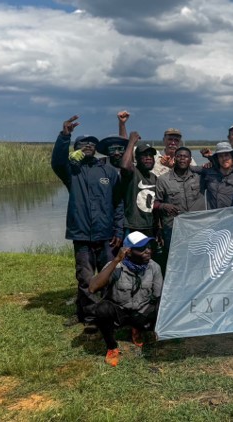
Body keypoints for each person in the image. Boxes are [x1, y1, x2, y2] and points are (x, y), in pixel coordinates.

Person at [51, 115, 123, 325]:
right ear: (76, 148)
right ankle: (90, 317)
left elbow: (117, 204)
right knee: (85, 277)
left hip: (106, 236)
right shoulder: (71, 171)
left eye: (92, 142)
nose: (89, 145)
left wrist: (118, 231)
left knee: (109, 276)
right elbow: (57, 161)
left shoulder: (108, 171)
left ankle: (109, 313)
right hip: (81, 234)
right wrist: (65, 135)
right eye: (83, 143)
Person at [88, 231, 163, 367]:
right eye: (141, 249)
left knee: (161, 307)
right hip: (120, 312)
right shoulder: (115, 267)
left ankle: (137, 329)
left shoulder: (154, 267)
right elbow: (92, 288)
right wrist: (116, 259)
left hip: (141, 311)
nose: (148, 251)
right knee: (102, 309)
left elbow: (159, 296)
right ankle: (112, 348)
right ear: (127, 251)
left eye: (148, 247)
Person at [154, 147, 205, 264]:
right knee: (175, 262)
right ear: (174, 159)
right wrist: (164, 206)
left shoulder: (200, 177)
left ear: (190, 160)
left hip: (196, 229)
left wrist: (208, 159)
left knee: (197, 260)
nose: (182, 159)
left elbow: (218, 169)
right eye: (179, 156)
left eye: (185, 156)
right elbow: (155, 203)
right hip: (173, 230)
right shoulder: (163, 180)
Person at [119, 131, 158, 237]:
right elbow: (125, 166)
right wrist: (131, 142)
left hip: (150, 226)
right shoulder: (132, 173)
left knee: (148, 253)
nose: (149, 158)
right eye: (144, 155)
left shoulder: (154, 177)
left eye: (151, 155)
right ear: (136, 159)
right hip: (133, 226)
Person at [195, 141, 233, 209]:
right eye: (220, 156)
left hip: (231, 216)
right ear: (217, 159)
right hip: (213, 216)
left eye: (226, 155)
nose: (224, 159)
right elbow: (191, 168)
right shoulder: (208, 171)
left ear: (232, 157)